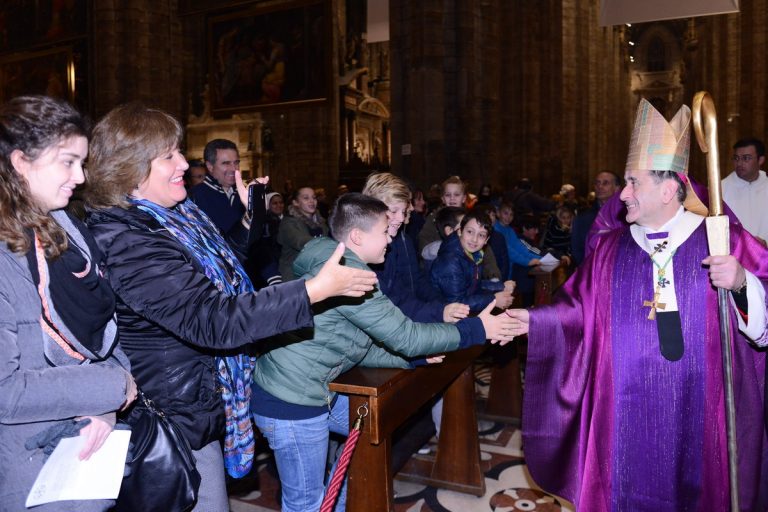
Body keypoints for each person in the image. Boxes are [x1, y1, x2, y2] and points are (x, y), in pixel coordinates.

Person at [82, 102, 377, 511]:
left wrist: (249, 215)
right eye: (168, 155)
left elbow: (221, 269)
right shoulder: (127, 239)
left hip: (200, 398)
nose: (183, 163)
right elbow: (212, 317)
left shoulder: (175, 215)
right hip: (172, 413)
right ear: (130, 168)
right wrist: (311, 290)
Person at [506, 99, 768, 511]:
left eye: (632, 182)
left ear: (668, 189)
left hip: (699, 408)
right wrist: (534, 321)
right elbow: (578, 308)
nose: (622, 194)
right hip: (624, 406)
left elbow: (762, 311)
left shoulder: (723, 240)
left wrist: (740, 283)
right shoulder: (611, 247)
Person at [251, 193, 519, 512]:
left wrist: (410, 359)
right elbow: (405, 335)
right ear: (357, 236)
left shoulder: (341, 263)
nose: (390, 240)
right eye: (383, 231)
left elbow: (360, 347)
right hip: (291, 400)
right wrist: (478, 330)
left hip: (318, 389)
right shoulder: (351, 277)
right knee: (305, 504)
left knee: (368, 437)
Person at [0, 95, 137, 511]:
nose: (79, 176)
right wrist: (111, 388)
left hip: (83, 449)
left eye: (83, 162)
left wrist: (105, 408)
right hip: (29, 463)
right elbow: (6, 390)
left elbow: (105, 327)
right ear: (21, 161)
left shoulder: (64, 232)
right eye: (68, 161)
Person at [430, 210, 515, 313]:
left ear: (486, 240)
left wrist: (501, 286)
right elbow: (456, 303)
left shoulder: (473, 254)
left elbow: (473, 286)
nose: (474, 239)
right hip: (440, 316)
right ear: (460, 231)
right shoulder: (450, 260)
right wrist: (494, 300)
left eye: (481, 235)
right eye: (470, 232)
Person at [189, 138, 244, 235]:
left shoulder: (244, 194)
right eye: (226, 163)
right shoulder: (193, 197)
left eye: (236, 163)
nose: (234, 169)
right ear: (210, 166)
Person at [722, 137, 768, 245]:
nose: (739, 163)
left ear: (760, 160)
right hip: (733, 257)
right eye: (736, 158)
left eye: (746, 158)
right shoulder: (720, 189)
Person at [278, 186, 329, 281]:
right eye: (306, 198)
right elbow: (301, 242)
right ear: (295, 202)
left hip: (316, 272)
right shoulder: (288, 223)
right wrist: (329, 245)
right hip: (294, 276)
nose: (311, 201)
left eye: (314, 197)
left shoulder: (320, 221)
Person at [571, 171, 621, 265]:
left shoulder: (627, 217)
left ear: (617, 188)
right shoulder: (582, 219)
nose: (600, 187)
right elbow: (577, 250)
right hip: (591, 271)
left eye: (605, 183)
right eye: (597, 183)